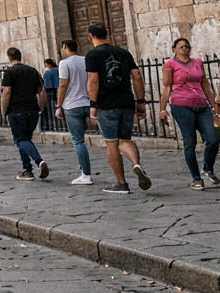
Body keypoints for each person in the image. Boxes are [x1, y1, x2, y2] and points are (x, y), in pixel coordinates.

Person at [86, 20, 150, 194]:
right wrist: (141, 101)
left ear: (90, 36)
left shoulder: (92, 55)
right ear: (107, 34)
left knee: (112, 142)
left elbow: (93, 80)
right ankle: (136, 164)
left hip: (106, 104)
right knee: (125, 139)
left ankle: (122, 184)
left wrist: (92, 104)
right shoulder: (123, 52)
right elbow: (136, 76)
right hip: (127, 102)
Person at [160, 38, 220, 190]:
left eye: (187, 46)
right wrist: (162, 109)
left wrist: (214, 105)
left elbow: (205, 84)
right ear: (174, 49)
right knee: (190, 143)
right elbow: (167, 87)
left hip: (201, 105)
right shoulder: (170, 65)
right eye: (181, 47)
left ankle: (207, 167)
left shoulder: (198, 62)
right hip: (181, 106)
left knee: (213, 139)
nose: (185, 49)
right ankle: (196, 178)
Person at [0, 48, 48, 181]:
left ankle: (39, 162)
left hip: (17, 110)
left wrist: (3, 109)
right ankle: (27, 170)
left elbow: (6, 92)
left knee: (20, 139)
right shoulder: (33, 71)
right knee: (26, 139)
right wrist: (41, 107)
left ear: (9, 57)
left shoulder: (9, 72)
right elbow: (42, 91)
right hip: (32, 109)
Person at [55, 40, 94, 185]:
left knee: (78, 140)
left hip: (72, 105)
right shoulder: (86, 60)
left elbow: (63, 84)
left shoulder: (64, 63)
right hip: (88, 102)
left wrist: (58, 105)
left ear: (65, 47)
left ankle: (86, 174)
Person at [42, 58, 60, 129]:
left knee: (52, 110)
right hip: (60, 91)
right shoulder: (58, 70)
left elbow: (45, 85)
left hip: (50, 92)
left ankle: (54, 126)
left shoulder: (48, 72)